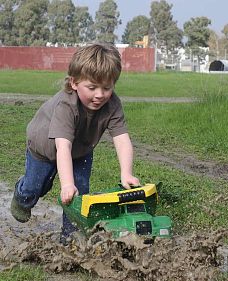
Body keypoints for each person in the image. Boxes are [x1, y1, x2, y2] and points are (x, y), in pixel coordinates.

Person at [10, 43, 140, 243]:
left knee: (78, 194)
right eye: (92, 87)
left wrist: (126, 173)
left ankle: (70, 238)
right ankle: (22, 194)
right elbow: (63, 147)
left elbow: (122, 140)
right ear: (74, 82)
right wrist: (66, 183)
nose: (100, 95)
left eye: (107, 87)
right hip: (44, 149)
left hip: (80, 151)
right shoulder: (66, 105)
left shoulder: (112, 104)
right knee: (36, 189)